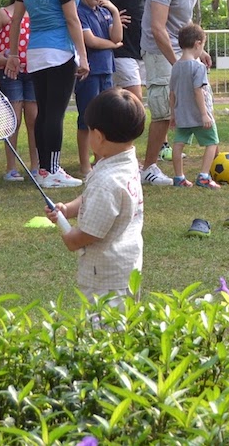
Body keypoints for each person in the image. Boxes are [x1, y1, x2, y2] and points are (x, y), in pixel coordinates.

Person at [5, 0, 89, 189]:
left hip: (35, 53)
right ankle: (51, 170)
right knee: (55, 113)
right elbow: (72, 20)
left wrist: (13, 54)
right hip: (60, 53)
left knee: (42, 113)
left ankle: (44, 169)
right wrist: (83, 57)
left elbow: (16, 20)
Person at [45, 88, 147, 301]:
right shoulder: (125, 164)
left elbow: (84, 237)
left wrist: (69, 235)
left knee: (104, 331)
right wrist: (68, 209)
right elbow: (97, 201)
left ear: (98, 136)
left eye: (90, 130)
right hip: (127, 268)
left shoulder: (107, 182)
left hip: (105, 279)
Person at [140, 0, 220, 186]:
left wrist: (199, 51)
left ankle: (210, 170)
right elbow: (158, 27)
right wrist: (179, 66)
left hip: (182, 51)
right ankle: (149, 168)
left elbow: (182, 20)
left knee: (203, 101)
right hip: (159, 51)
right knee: (164, 111)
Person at [75, 0, 123, 178]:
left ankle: (100, 161)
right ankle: (85, 165)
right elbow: (90, 40)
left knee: (104, 119)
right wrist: (112, 46)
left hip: (106, 70)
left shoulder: (104, 11)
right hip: (89, 72)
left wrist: (113, 10)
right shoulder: (79, 11)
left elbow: (117, 37)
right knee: (87, 118)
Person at [0, 0, 36, 181]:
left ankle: (36, 166)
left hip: (34, 71)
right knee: (14, 119)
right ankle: (11, 167)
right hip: (10, 71)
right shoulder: (5, 14)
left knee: (34, 119)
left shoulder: (37, 13)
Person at [167, 24, 221, 188]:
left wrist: (173, 115)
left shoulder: (176, 66)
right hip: (198, 115)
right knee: (212, 142)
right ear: (198, 44)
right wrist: (204, 114)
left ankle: (179, 177)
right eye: (203, 46)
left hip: (182, 114)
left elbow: (172, 93)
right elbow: (198, 91)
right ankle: (204, 176)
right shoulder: (198, 67)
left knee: (178, 144)